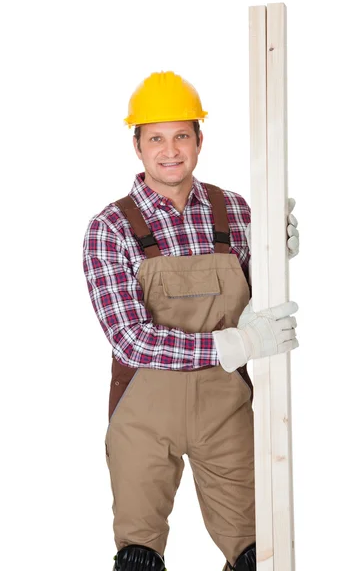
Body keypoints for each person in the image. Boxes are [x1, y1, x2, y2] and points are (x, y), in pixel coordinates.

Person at [82, 71, 300, 571]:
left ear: (200, 140)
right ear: (136, 145)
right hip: (143, 414)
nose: (170, 149)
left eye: (182, 135)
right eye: (155, 137)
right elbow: (131, 339)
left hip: (226, 410)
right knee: (138, 556)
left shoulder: (235, 210)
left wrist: (274, 254)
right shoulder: (110, 228)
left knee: (256, 552)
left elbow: (257, 305)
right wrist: (235, 345)